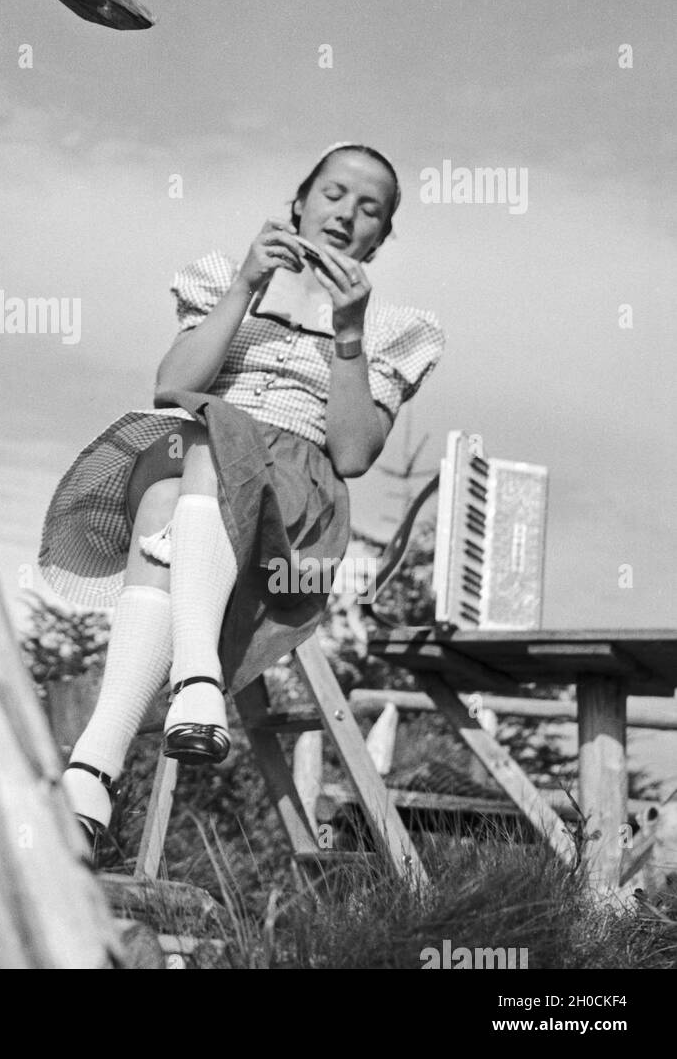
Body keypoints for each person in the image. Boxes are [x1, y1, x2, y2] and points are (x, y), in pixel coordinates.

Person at [36, 143, 445, 852]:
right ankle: (180, 700)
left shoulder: (387, 329)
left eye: (369, 208)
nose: (346, 214)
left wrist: (347, 337)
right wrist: (245, 288)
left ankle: (96, 766)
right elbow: (172, 388)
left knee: (194, 464)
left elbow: (351, 454)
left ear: (381, 238)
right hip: (197, 461)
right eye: (334, 193)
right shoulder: (228, 280)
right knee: (193, 452)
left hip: (292, 503)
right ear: (299, 200)